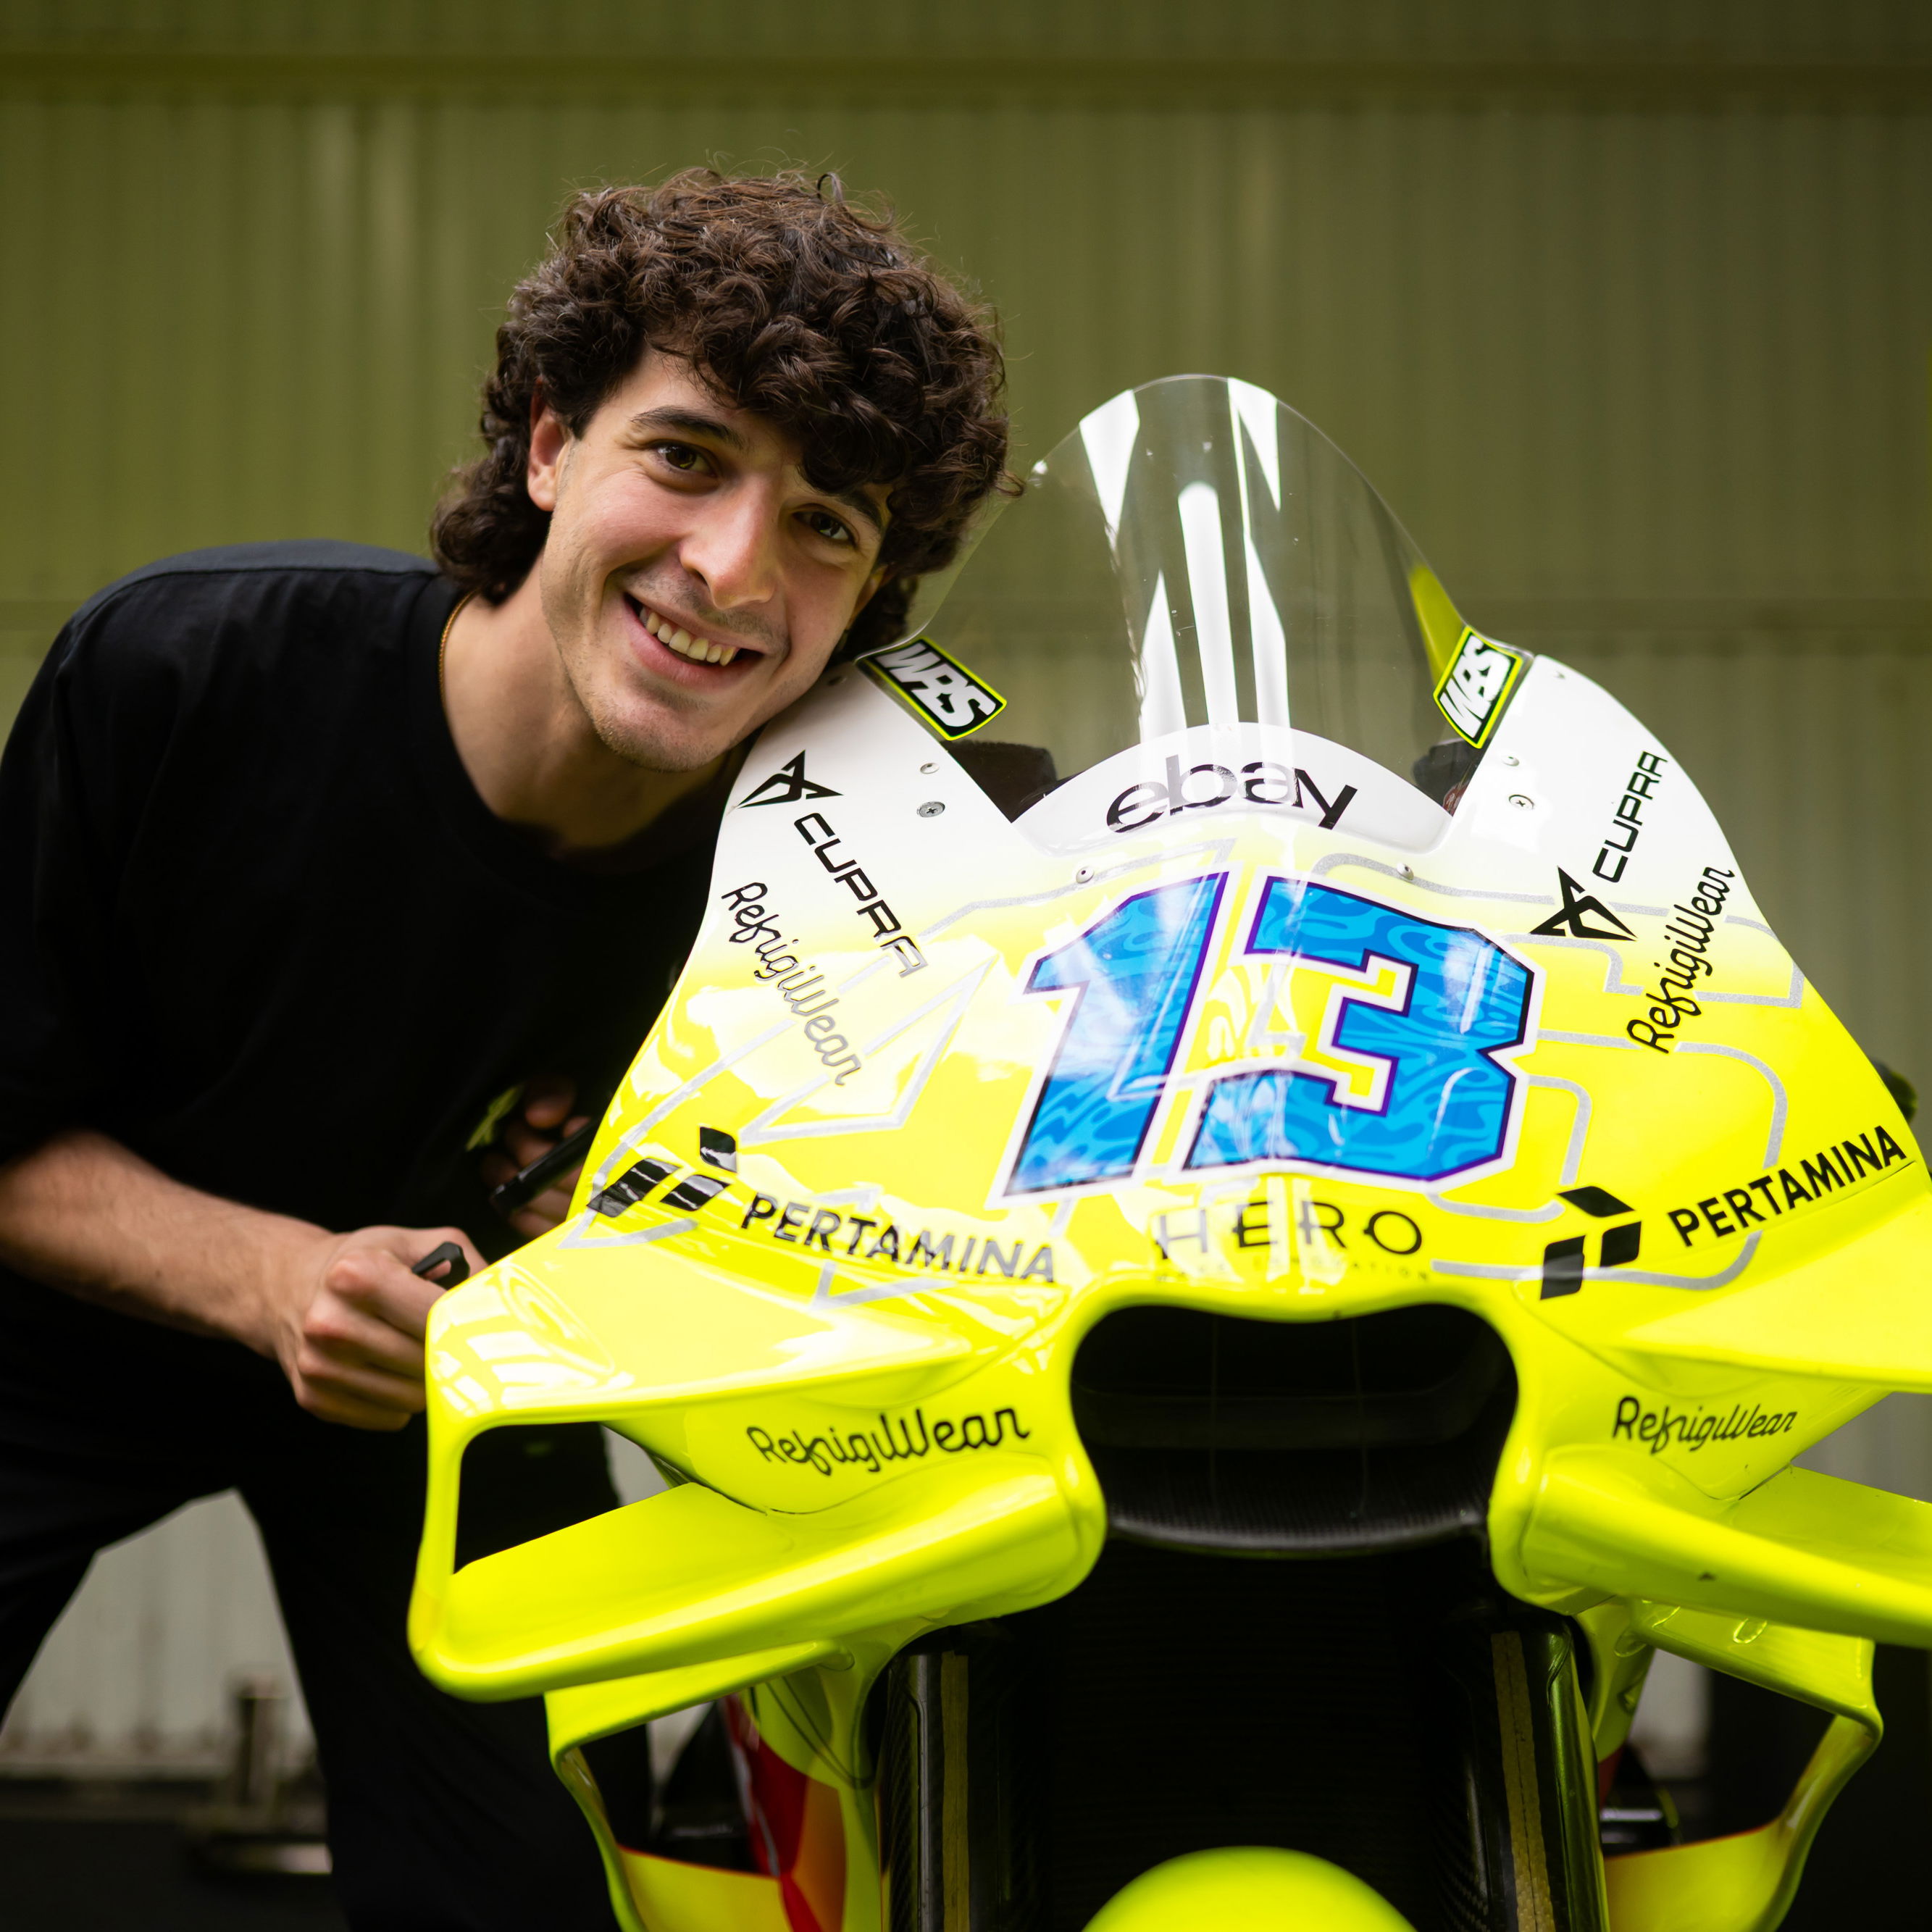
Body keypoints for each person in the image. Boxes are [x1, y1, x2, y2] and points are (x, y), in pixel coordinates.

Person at [0, 169, 1009, 1929]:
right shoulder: (186, 669)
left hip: (444, 1390)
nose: (728, 568)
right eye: (685, 457)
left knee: (544, 1888)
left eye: (827, 522)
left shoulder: (830, 875)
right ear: (548, 442)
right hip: (48, 1325)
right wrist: (272, 1273)